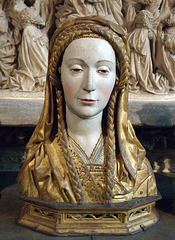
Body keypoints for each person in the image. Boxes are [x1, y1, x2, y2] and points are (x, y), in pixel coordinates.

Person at [17, 16, 157, 205]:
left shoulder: (135, 167)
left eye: (103, 70)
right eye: (76, 69)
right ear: (58, 75)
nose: (89, 84)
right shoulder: (39, 165)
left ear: (118, 78)